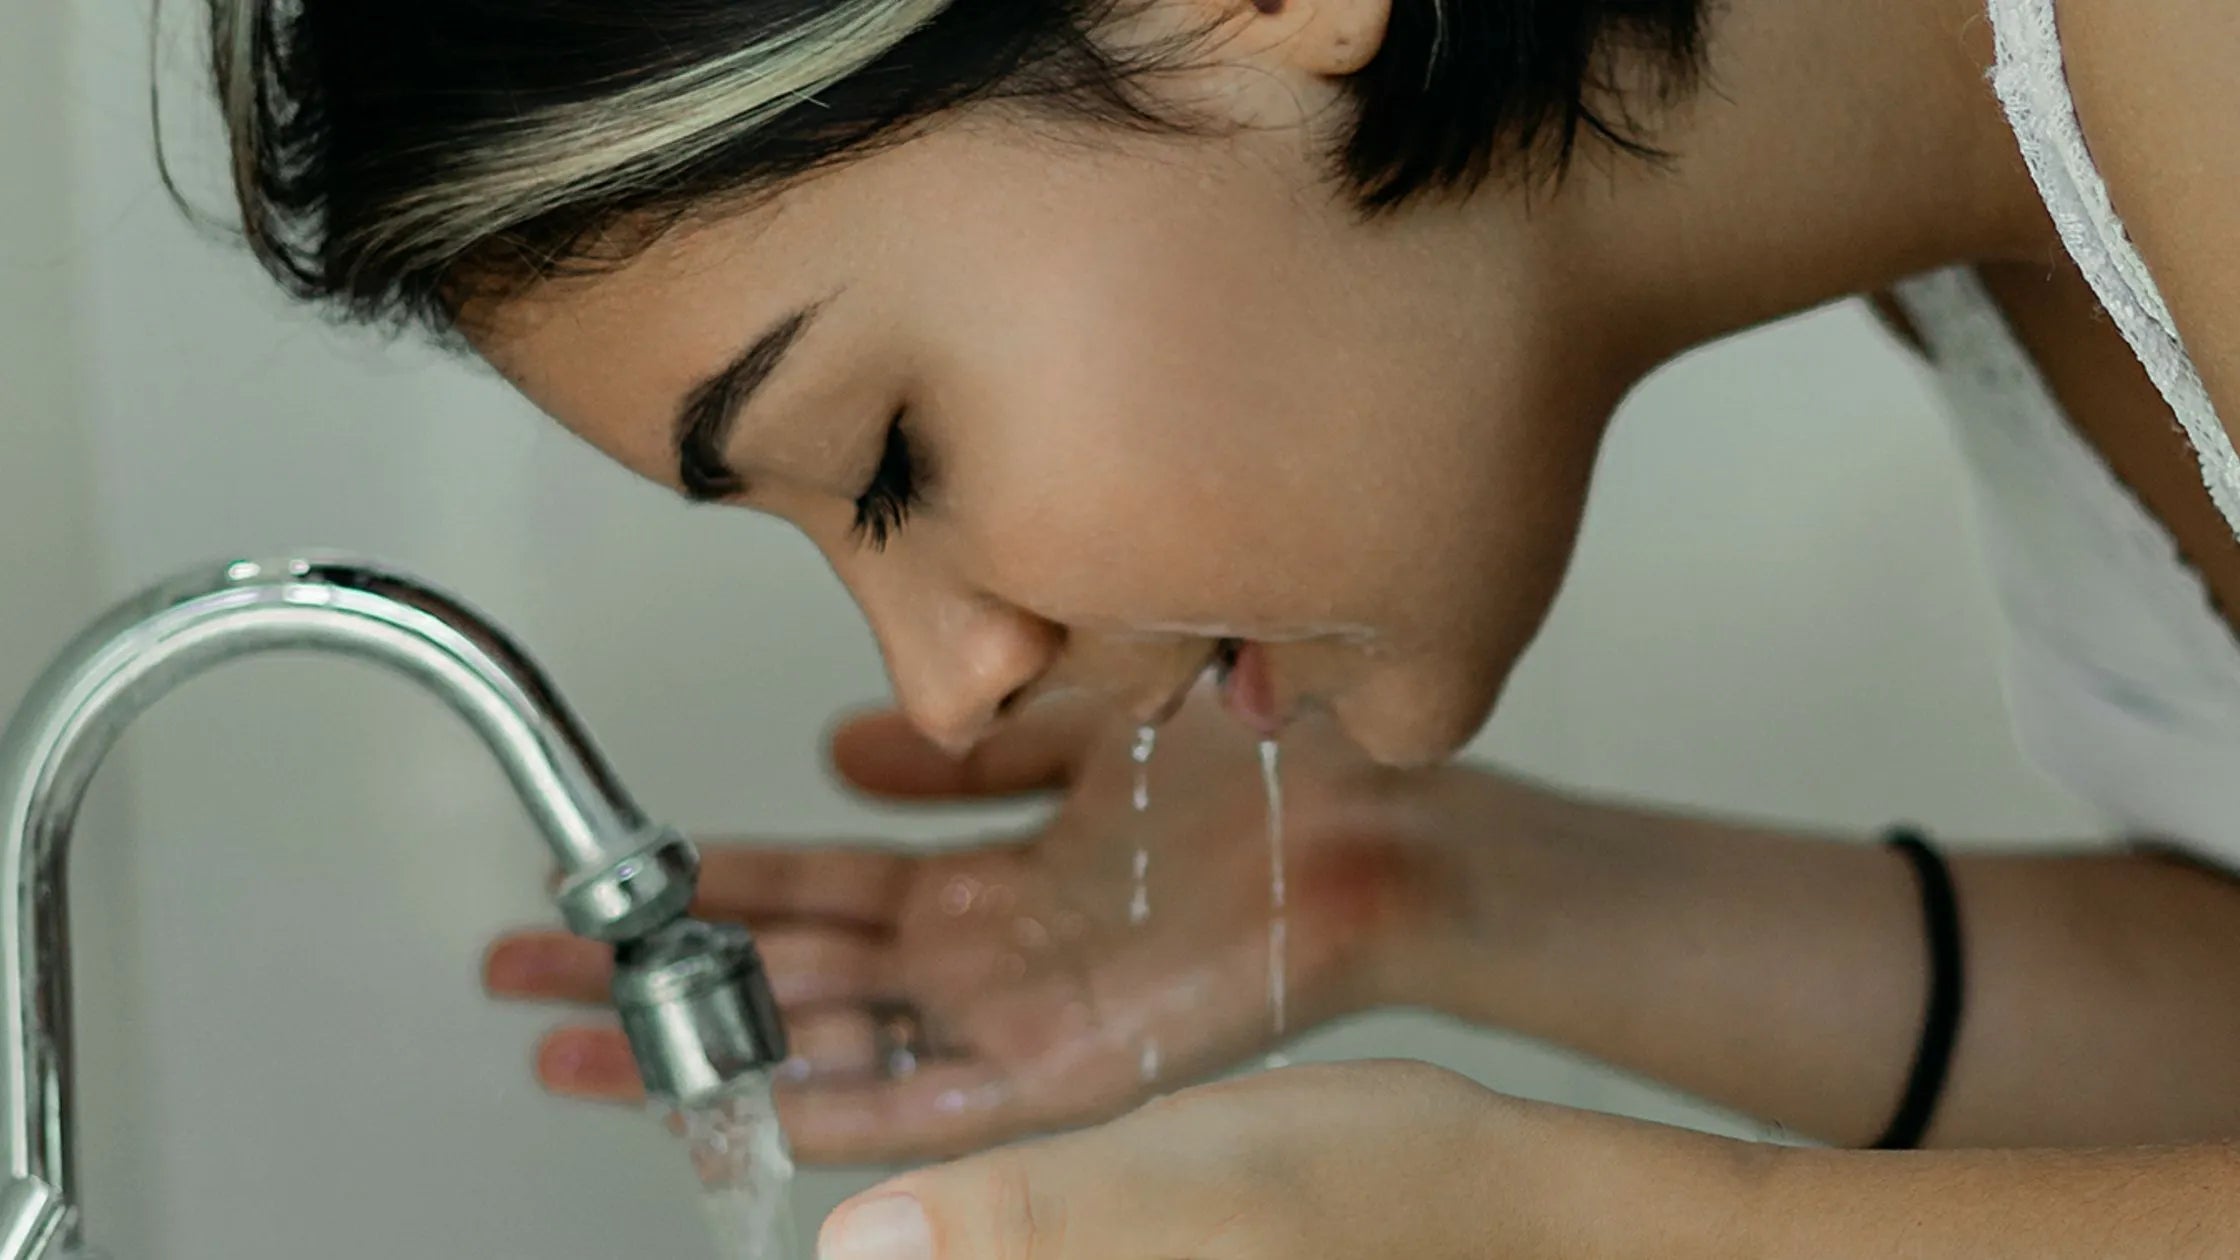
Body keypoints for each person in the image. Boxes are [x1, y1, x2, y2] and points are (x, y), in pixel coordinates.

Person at [195, 0, 2240, 1253]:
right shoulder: (1969, 218)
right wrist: (1419, 893)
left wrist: (1613, 1239)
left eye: (894, 455)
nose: (949, 680)